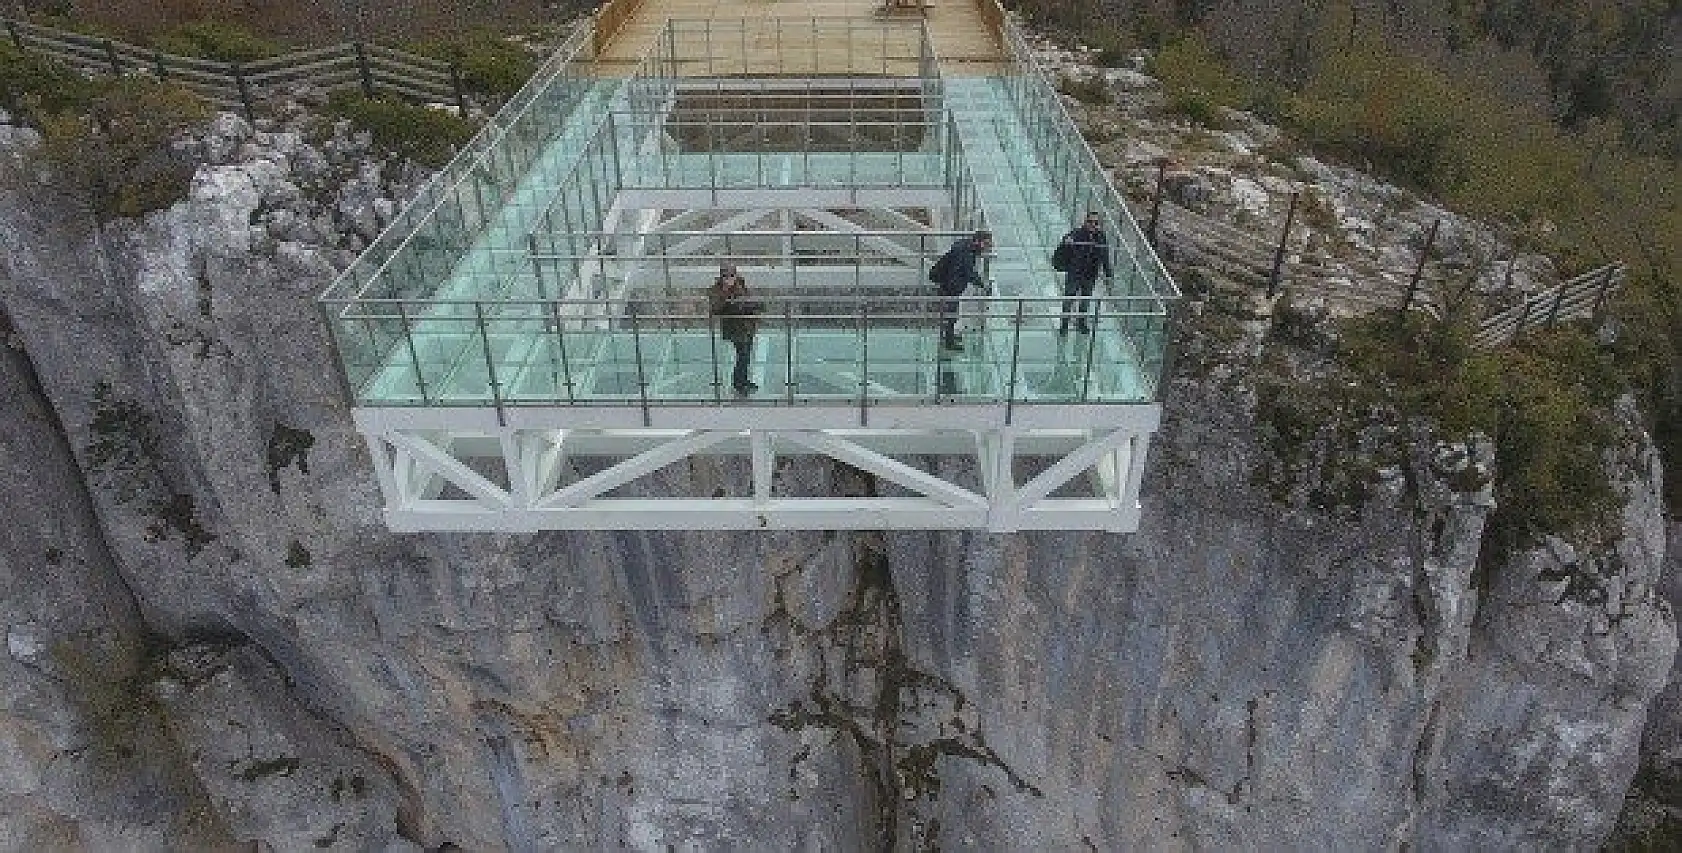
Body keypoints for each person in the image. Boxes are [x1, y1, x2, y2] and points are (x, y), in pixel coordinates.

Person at [932, 229, 992, 350]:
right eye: (986, 243)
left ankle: (948, 337)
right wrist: (983, 285)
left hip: (948, 284)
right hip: (951, 286)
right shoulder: (967, 252)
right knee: (951, 315)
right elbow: (969, 272)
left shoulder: (964, 246)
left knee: (951, 313)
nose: (987, 247)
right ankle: (949, 342)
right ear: (977, 241)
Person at [708, 263, 762, 395]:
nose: (729, 279)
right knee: (742, 355)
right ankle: (739, 384)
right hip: (734, 328)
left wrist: (749, 306)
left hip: (747, 325)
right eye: (726, 276)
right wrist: (727, 298)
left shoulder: (740, 284)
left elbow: (747, 300)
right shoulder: (716, 290)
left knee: (746, 355)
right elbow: (716, 309)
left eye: (731, 275)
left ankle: (743, 381)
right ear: (721, 277)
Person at [1057, 212, 1113, 335]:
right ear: (1085, 222)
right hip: (1075, 274)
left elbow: (1105, 255)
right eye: (1090, 222)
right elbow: (1066, 241)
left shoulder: (1101, 237)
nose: (1093, 225)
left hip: (1090, 275)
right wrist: (1067, 241)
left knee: (1085, 300)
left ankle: (1081, 323)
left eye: (1096, 223)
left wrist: (1108, 273)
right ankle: (1064, 325)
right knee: (1069, 299)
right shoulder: (1077, 233)